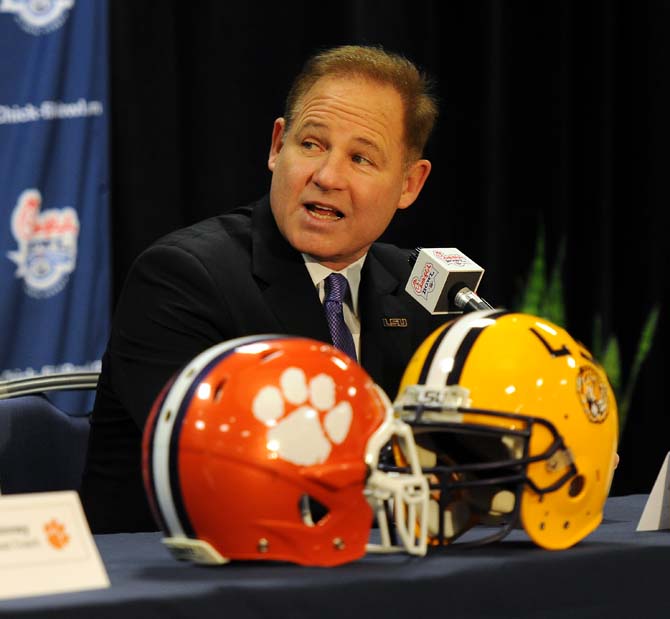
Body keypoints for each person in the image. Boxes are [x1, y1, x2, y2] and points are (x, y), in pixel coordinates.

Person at [79, 44, 447, 533]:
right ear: (278, 146)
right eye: (312, 144)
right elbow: (228, 475)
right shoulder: (182, 278)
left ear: (409, 185)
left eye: (361, 158)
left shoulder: (419, 288)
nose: (327, 176)